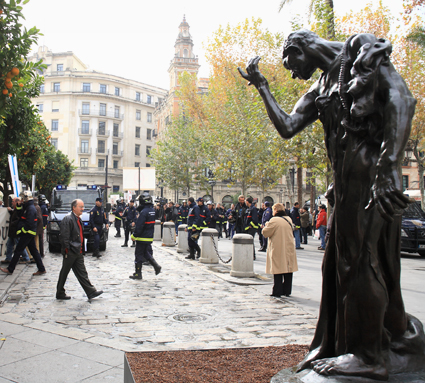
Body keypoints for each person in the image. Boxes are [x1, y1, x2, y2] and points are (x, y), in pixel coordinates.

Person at [239, 29, 420, 379]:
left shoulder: (358, 51)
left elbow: (402, 99)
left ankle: (370, 356)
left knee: (361, 263)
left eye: (290, 64)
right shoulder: (321, 85)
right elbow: (289, 126)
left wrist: (389, 166)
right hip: (345, 186)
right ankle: (335, 344)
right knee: (337, 267)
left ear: (301, 48)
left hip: (370, 177)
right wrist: (262, 86)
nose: (292, 73)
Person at [55, 199, 102, 300]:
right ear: (74, 208)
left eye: (83, 207)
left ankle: (91, 292)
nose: (82, 209)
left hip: (78, 251)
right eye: (80, 207)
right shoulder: (68, 219)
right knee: (64, 272)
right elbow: (64, 236)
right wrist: (67, 249)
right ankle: (59, 292)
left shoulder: (78, 219)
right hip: (71, 251)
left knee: (82, 273)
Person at [1, 191, 46, 276]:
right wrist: (18, 207)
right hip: (28, 233)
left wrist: (22, 230)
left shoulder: (30, 209)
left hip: (27, 233)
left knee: (18, 250)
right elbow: (20, 214)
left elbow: (29, 223)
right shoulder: (27, 207)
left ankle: (10, 269)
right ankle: (41, 268)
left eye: (22, 198)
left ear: (25, 198)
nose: (21, 200)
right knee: (34, 251)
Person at [262, 203, 298, 297]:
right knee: (288, 268)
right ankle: (287, 290)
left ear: (276, 210)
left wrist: (266, 225)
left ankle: (277, 291)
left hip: (278, 247)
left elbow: (265, 232)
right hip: (288, 246)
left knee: (277, 269)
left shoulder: (274, 220)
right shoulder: (288, 219)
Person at [129, 193, 161, 280]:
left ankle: (138, 273)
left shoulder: (143, 212)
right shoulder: (152, 210)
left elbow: (139, 226)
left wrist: (134, 235)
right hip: (149, 236)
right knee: (145, 253)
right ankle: (156, 266)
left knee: (138, 254)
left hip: (142, 237)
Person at [1, 197, 30, 264]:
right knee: (9, 244)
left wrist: (12, 224)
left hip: (16, 231)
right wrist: (11, 211)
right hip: (13, 231)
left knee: (19, 245)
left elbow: (17, 219)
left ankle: (26, 258)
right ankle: (8, 258)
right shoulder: (16, 210)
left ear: (17, 202)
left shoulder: (19, 210)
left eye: (13, 201)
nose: (12, 202)